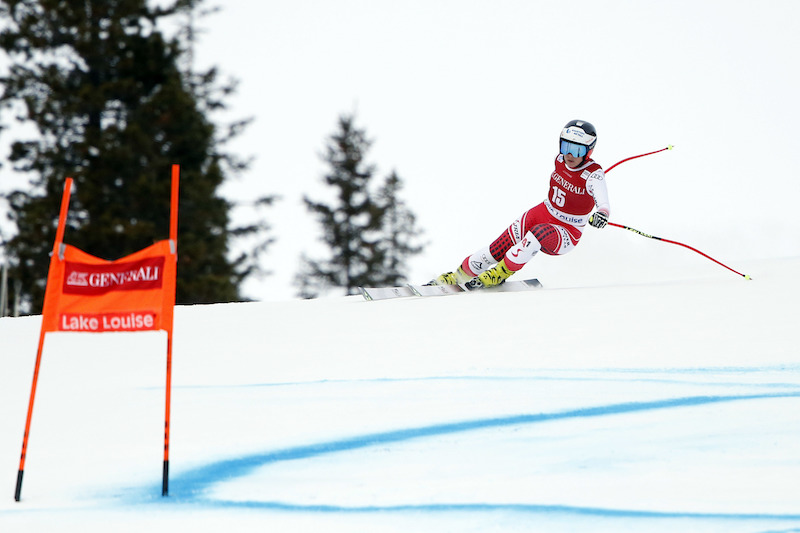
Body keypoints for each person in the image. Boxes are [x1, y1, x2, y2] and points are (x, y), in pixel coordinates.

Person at [434, 120, 610, 288]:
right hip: (543, 212)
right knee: (497, 248)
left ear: (589, 151)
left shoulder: (594, 175)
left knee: (537, 234)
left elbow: (603, 203)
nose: (570, 154)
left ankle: (499, 274)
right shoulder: (559, 159)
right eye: (565, 146)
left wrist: (602, 214)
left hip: (567, 231)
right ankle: (459, 276)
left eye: (577, 150)